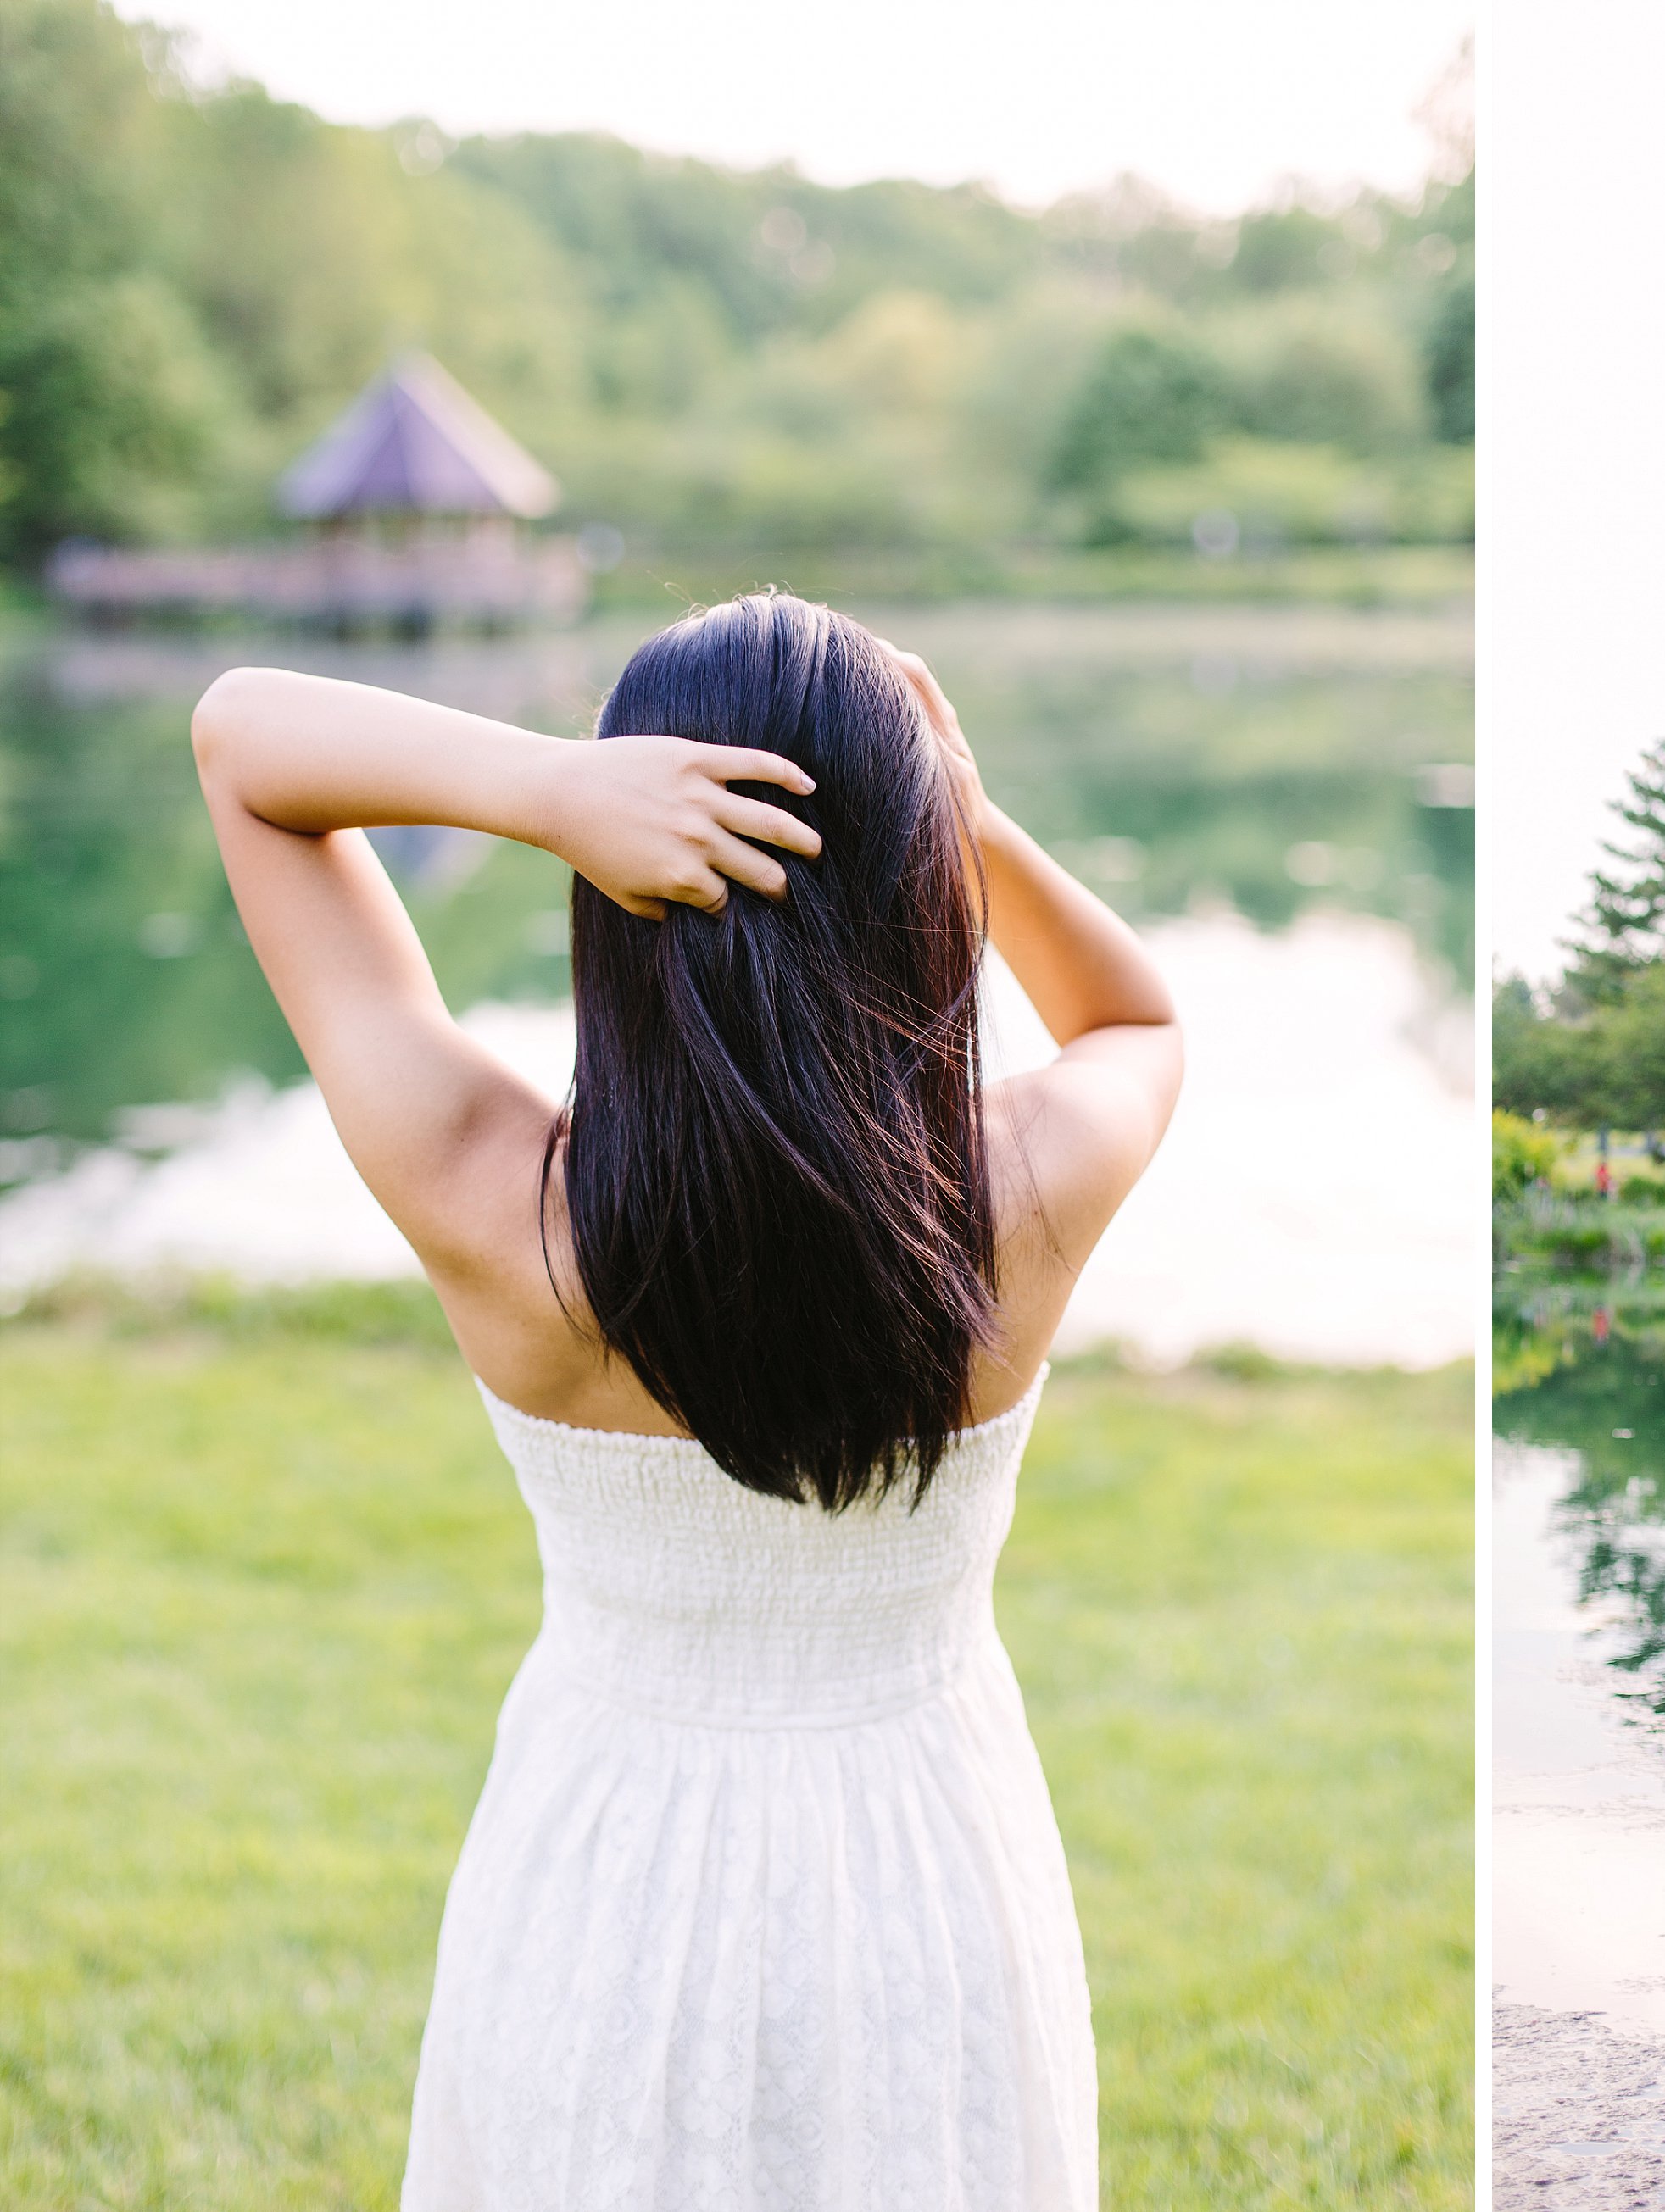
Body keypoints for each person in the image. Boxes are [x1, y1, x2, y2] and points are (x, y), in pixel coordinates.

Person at [192, 590, 1183, 2210]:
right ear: (913, 883)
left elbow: (243, 735)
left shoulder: (498, 1206)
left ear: (616, 890)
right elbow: (1137, 1018)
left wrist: (549, 793)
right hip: (925, 1875)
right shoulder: (1015, 1204)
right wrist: (963, 810)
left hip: (600, 1873)